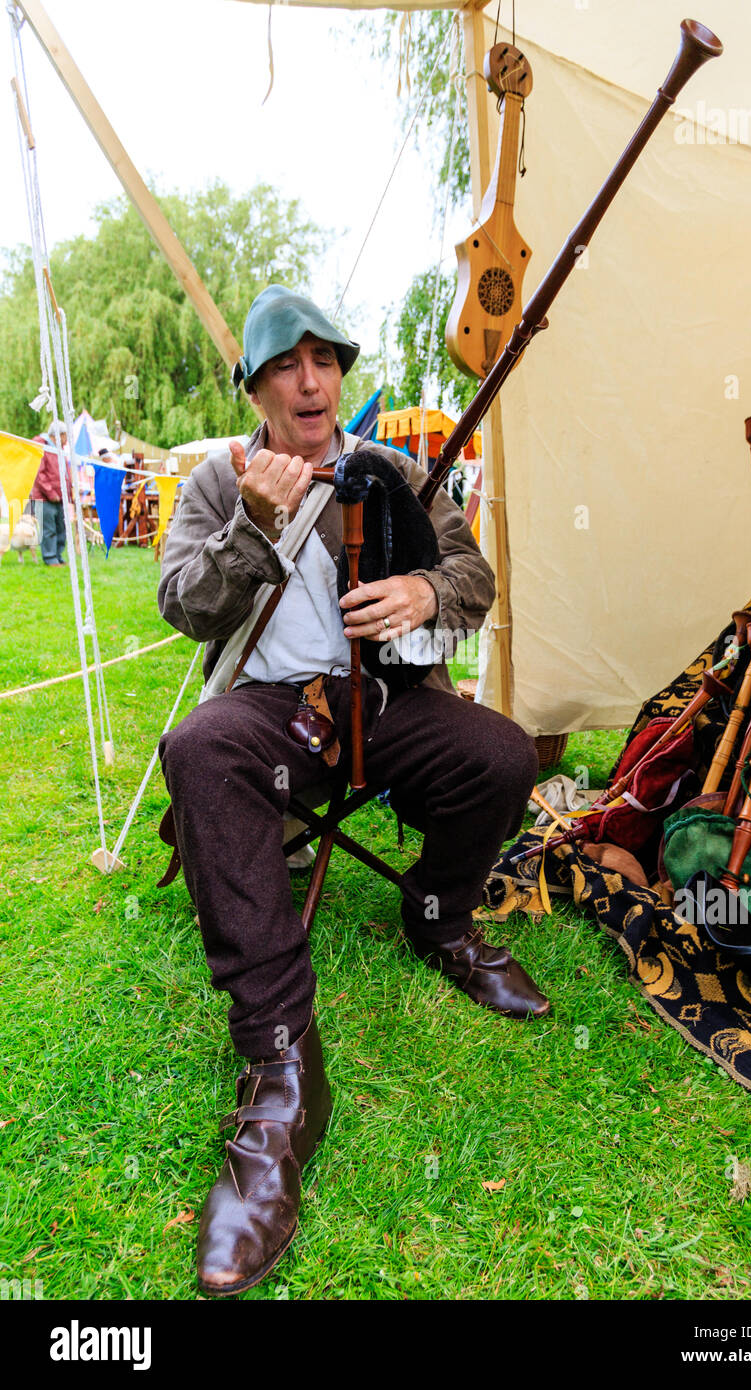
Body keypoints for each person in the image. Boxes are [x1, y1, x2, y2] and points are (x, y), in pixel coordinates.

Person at [157, 286, 546, 1297]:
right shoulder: (217, 480)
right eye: (286, 365)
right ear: (255, 388)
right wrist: (250, 525)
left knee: (502, 755)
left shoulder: (399, 472)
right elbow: (182, 607)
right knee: (197, 747)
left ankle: (438, 916)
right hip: (276, 711)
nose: (310, 380)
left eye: (324, 360)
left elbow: (471, 578)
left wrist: (424, 592)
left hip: (383, 705)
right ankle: (285, 1070)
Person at [30, 423, 71, 566]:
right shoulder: (42, 447)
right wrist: (51, 493)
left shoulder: (59, 450)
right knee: (49, 529)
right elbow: (38, 473)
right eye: (65, 435)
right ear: (57, 435)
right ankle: (50, 558)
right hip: (44, 498)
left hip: (60, 497)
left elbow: (64, 474)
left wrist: (68, 493)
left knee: (61, 528)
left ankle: (58, 556)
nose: (67, 439)